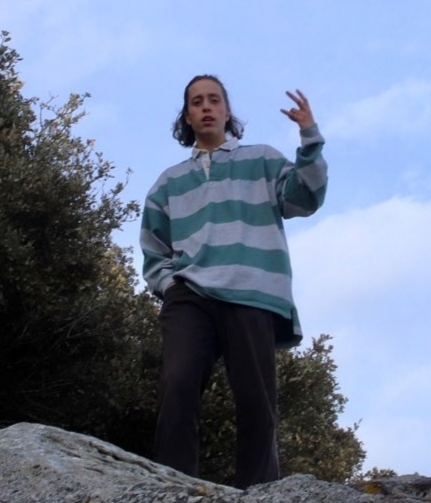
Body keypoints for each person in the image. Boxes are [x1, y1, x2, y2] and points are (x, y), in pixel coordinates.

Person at [139, 74, 328, 489]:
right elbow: (153, 246)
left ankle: (258, 492)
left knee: (256, 400)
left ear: (227, 112)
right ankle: (173, 487)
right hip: (189, 294)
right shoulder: (168, 182)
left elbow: (305, 198)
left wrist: (309, 137)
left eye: (214, 100)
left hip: (251, 290)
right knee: (177, 385)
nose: (206, 107)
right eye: (196, 102)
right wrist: (168, 286)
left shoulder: (262, 160)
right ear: (187, 117)